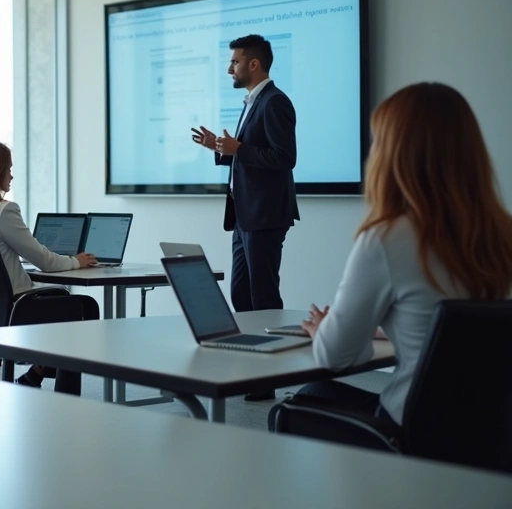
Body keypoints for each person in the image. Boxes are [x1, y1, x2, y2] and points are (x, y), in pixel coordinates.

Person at [295, 82, 512, 428]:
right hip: (493, 436)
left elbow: (335, 356)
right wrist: (391, 326)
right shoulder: (502, 232)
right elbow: (461, 326)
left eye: (377, 141)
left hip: (415, 432)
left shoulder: (386, 238)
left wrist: (328, 330)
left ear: (395, 154)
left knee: (307, 397)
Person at [191, 34, 297, 401]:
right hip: (243, 215)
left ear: (254, 64)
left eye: (234, 61)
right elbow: (248, 153)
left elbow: (284, 158)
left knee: (264, 296)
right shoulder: (253, 101)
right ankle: (254, 370)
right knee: (241, 293)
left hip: (266, 214)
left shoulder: (274, 102)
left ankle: (267, 378)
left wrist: (239, 148)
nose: (229, 68)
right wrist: (221, 150)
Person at [0, 140, 99, 388]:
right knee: (84, 305)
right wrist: (76, 261)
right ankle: (66, 391)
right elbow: (45, 261)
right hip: (17, 308)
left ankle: (36, 373)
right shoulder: (3, 210)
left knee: (65, 304)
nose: (11, 175)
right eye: (8, 169)